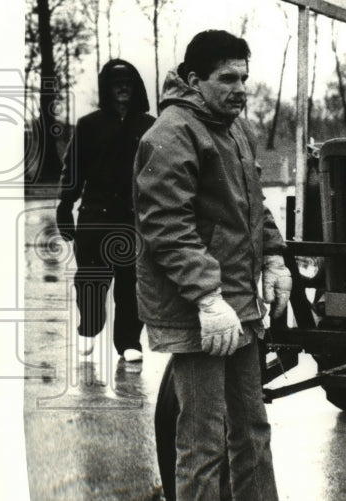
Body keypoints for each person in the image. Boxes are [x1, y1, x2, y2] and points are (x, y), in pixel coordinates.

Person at [133, 30, 292, 500]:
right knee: (202, 441)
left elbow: (253, 206)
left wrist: (275, 257)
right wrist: (206, 296)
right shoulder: (171, 133)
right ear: (193, 79)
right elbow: (165, 224)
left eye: (244, 77)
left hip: (238, 306)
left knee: (252, 431)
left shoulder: (235, 129)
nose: (240, 89)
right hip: (198, 311)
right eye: (227, 78)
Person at [56, 59, 154, 362]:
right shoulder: (89, 125)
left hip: (132, 218)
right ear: (107, 89)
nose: (122, 88)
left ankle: (128, 342)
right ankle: (89, 327)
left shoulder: (150, 127)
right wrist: (65, 205)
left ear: (136, 87)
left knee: (131, 283)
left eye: (128, 83)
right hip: (95, 216)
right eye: (116, 84)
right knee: (91, 279)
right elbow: (74, 168)